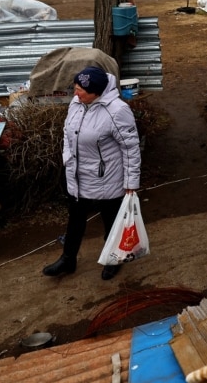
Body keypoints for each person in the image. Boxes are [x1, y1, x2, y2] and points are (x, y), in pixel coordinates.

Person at [43, 66, 142, 281]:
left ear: (97, 92)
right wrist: (67, 158)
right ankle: (68, 259)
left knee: (111, 221)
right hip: (79, 174)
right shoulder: (77, 103)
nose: (76, 93)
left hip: (108, 177)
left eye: (81, 90)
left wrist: (131, 181)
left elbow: (130, 148)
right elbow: (67, 133)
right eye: (75, 88)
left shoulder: (117, 110)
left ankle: (113, 259)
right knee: (75, 218)